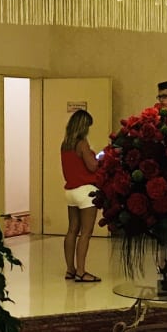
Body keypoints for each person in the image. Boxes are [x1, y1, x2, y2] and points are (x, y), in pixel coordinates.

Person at [60, 109, 102, 283]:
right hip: (86, 192)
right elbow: (92, 166)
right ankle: (81, 272)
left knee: (72, 230)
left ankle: (70, 269)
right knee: (85, 233)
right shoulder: (82, 143)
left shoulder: (65, 144)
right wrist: (99, 158)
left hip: (70, 191)